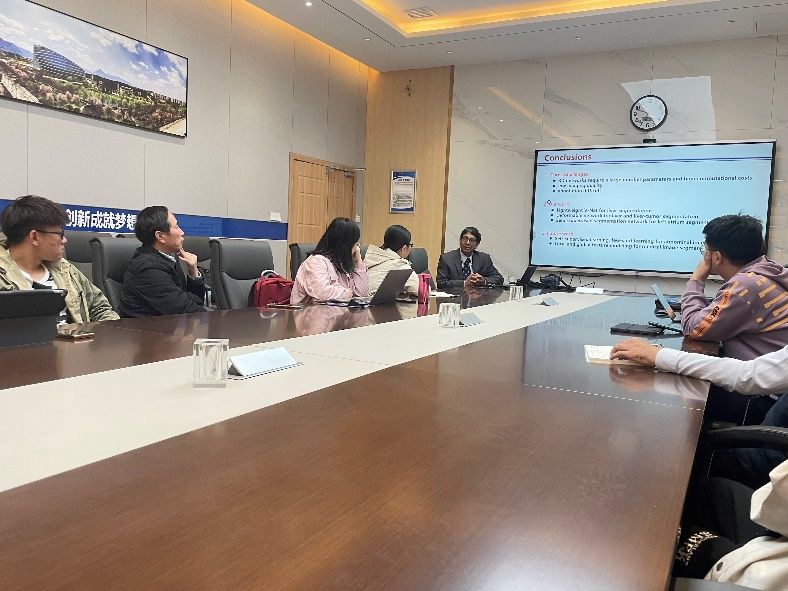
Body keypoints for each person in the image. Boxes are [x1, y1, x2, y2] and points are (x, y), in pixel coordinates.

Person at [610, 339, 788, 589]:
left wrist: (659, 356)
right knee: (708, 489)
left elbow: (745, 373)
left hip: (771, 468)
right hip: (775, 459)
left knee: (668, 455)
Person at [681, 214, 788, 361]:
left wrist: (696, 280)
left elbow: (693, 328)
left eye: (705, 250)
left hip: (768, 374)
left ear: (716, 257)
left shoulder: (745, 287)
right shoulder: (769, 270)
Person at [0, 195, 118, 323]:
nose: (64, 240)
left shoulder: (65, 269)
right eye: (60, 234)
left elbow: (100, 308)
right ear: (34, 237)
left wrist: (107, 331)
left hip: (78, 336)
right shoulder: (3, 276)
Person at [119, 206, 206, 317]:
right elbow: (185, 310)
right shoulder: (148, 269)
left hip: (171, 324)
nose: (182, 232)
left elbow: (194, 303)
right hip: (147, 327)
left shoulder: (166, 258)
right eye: (176, 227)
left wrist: (194, 273)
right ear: (160, 236)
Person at [290, 217, 369, 305]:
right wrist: (347, 293)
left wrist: (359, 262)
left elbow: (361, 294)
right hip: (311, 312)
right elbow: (322, 293)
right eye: (355, 243)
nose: (357, 248)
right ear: (345, 245)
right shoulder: (316, 262)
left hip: (336, 312)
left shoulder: (341, 263)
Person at [436, 226, 503, 289]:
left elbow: (499, 278)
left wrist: (484, 281)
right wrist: (464, 283)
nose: (467, 243)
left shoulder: (484, 258)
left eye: (472, 240)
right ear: (460, 241)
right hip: (455, 296)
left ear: (477, 244)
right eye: (465, 239)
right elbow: (441, 283)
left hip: (478, 296)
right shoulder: (446, 259)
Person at [363, 224, 418, 297]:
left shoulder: (371, 257)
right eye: (411, 245)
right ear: (404, 248)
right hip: (380, 304)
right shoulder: (401, 266)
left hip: (359, 302)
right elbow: (419, 290)